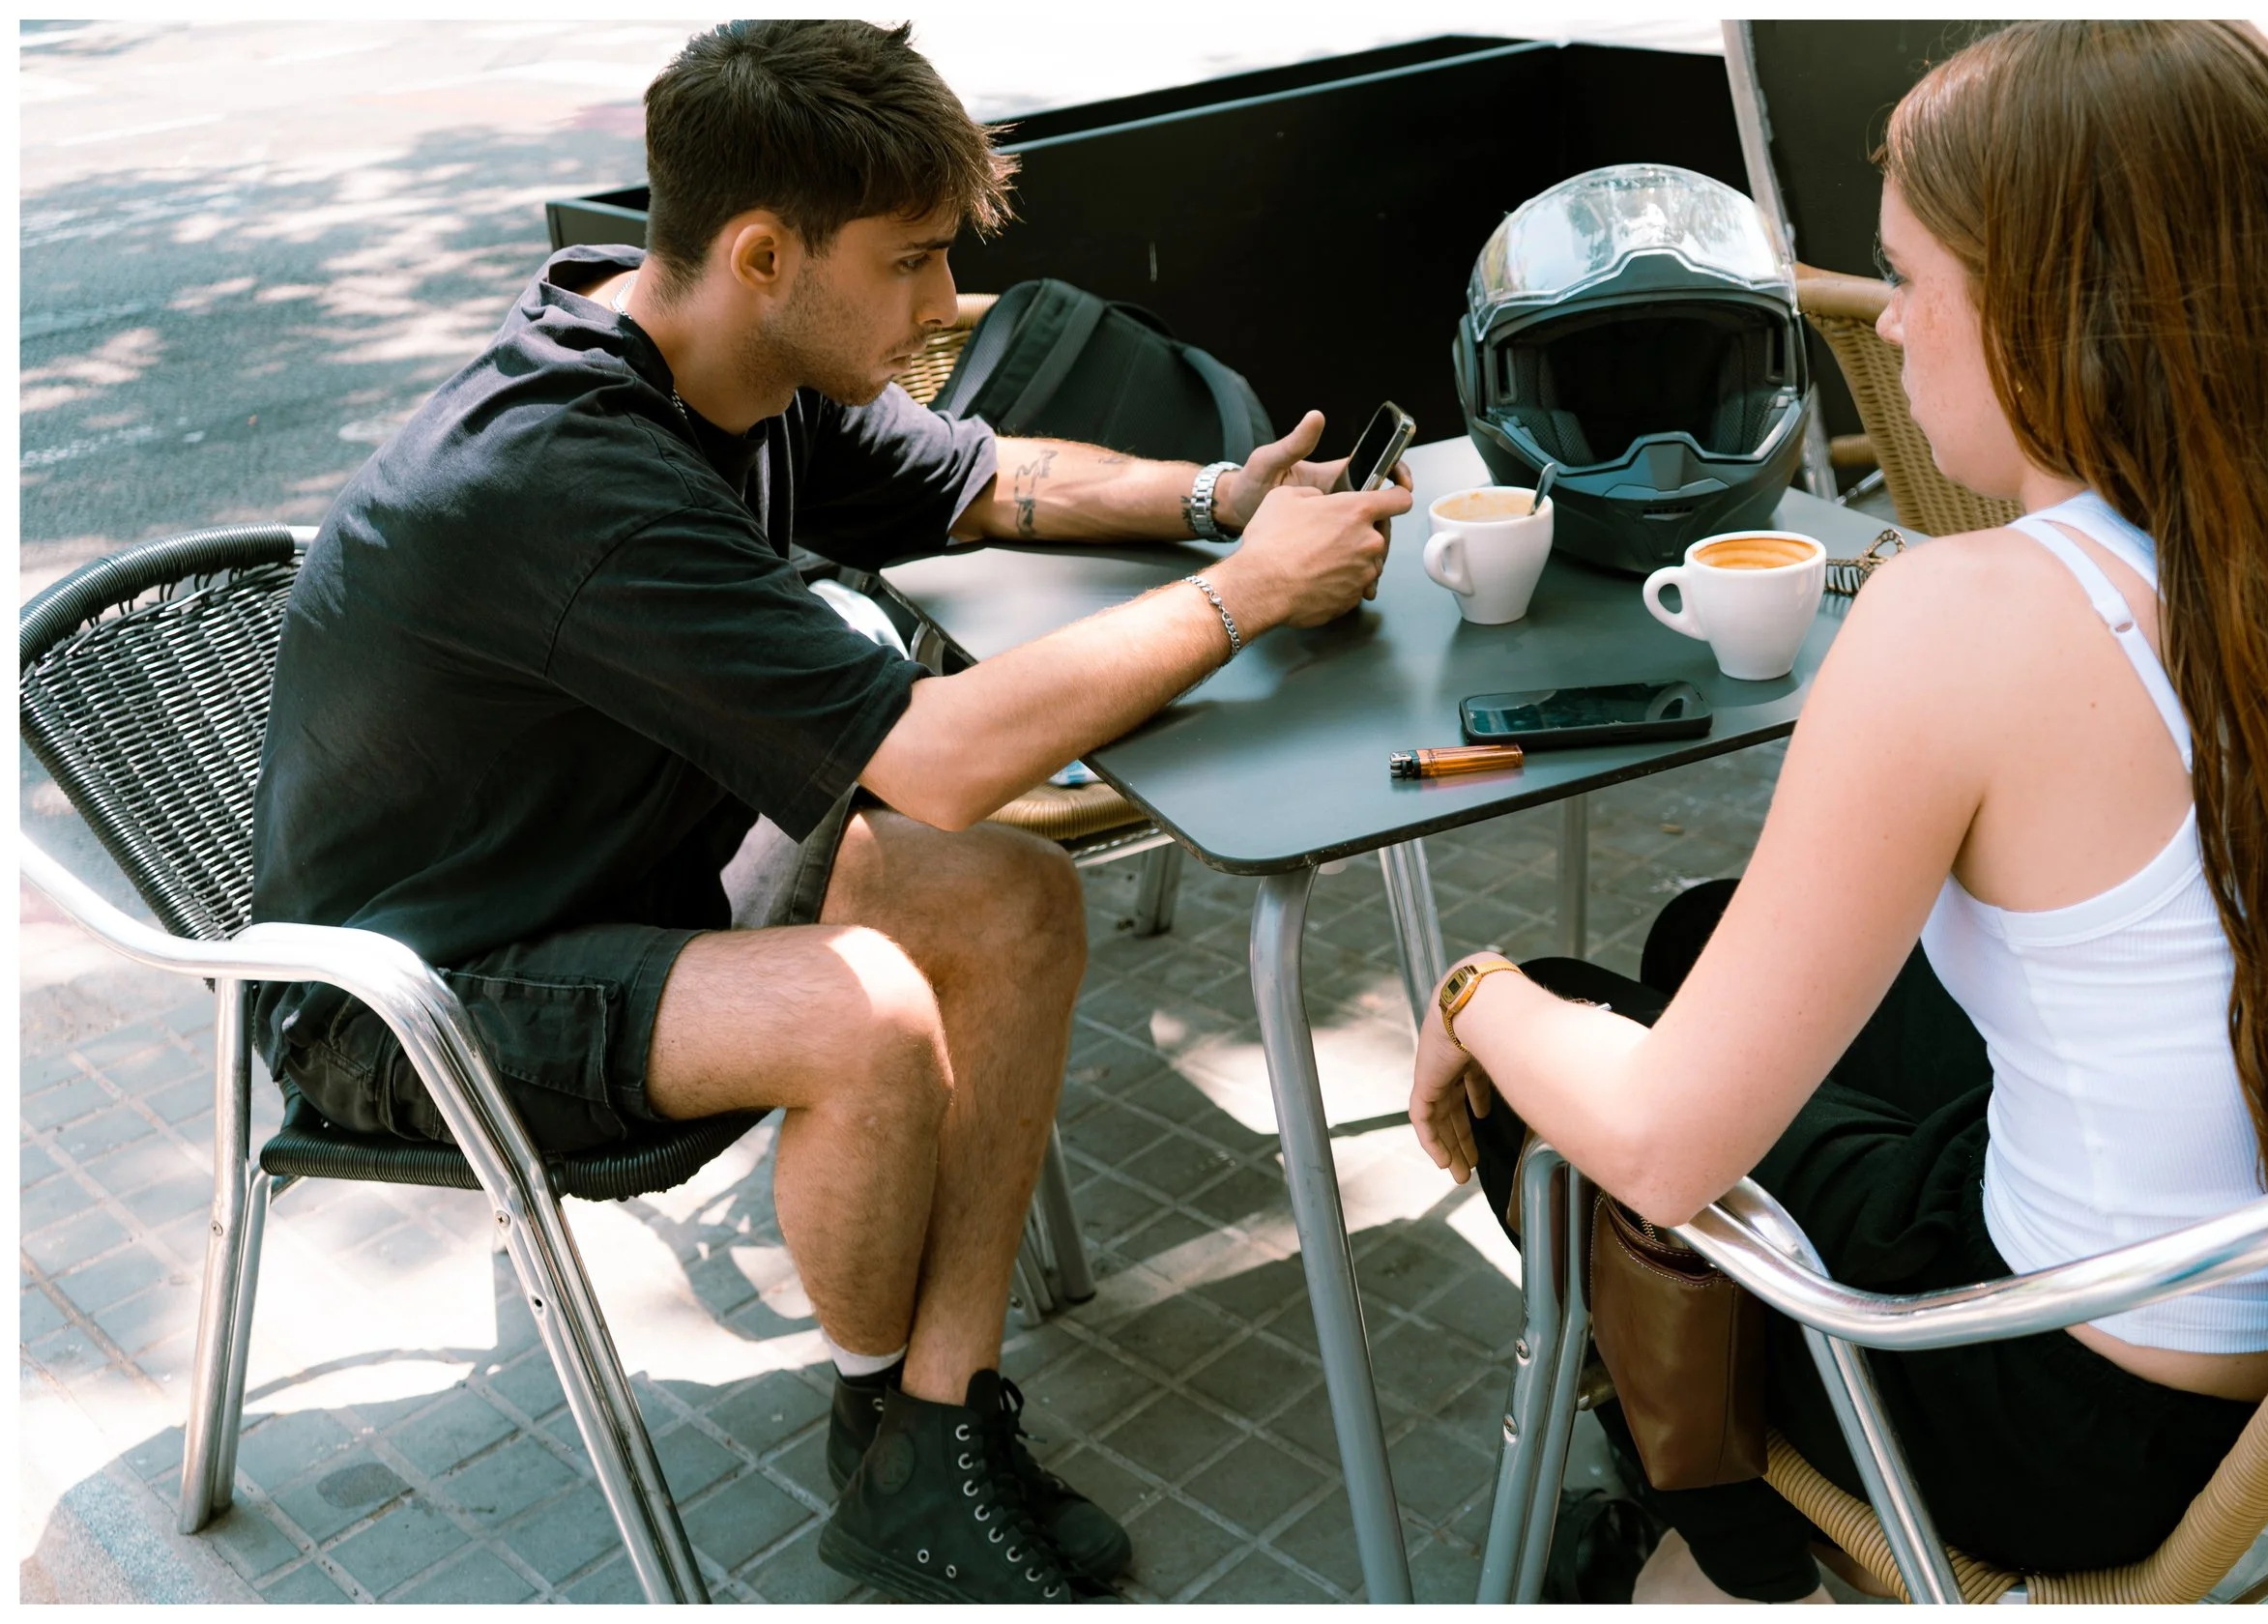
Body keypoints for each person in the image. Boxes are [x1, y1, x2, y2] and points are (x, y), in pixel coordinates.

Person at [247, 18, 1410, 1605]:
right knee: (863, 1011)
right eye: (917, 263)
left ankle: (929, 1427)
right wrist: (1240, 599)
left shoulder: (726, 355)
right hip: (417, 999)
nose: (944, 307)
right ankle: (885, 1440)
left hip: (633, 892)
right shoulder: (575, 482)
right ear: (763, 250)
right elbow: (931, 757)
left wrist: (1218, 502)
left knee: (1011, 901)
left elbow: (987, 480)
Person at [1408, 20, 2268, 1605]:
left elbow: (1661, 1147)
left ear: (2054, 306)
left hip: (2069, 1414)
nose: (1887, 323)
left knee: (1579, 1041)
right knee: (1700, 931)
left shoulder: (1968, 614)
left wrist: (1480, 993)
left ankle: (1724, 1536)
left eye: (1910, 277)